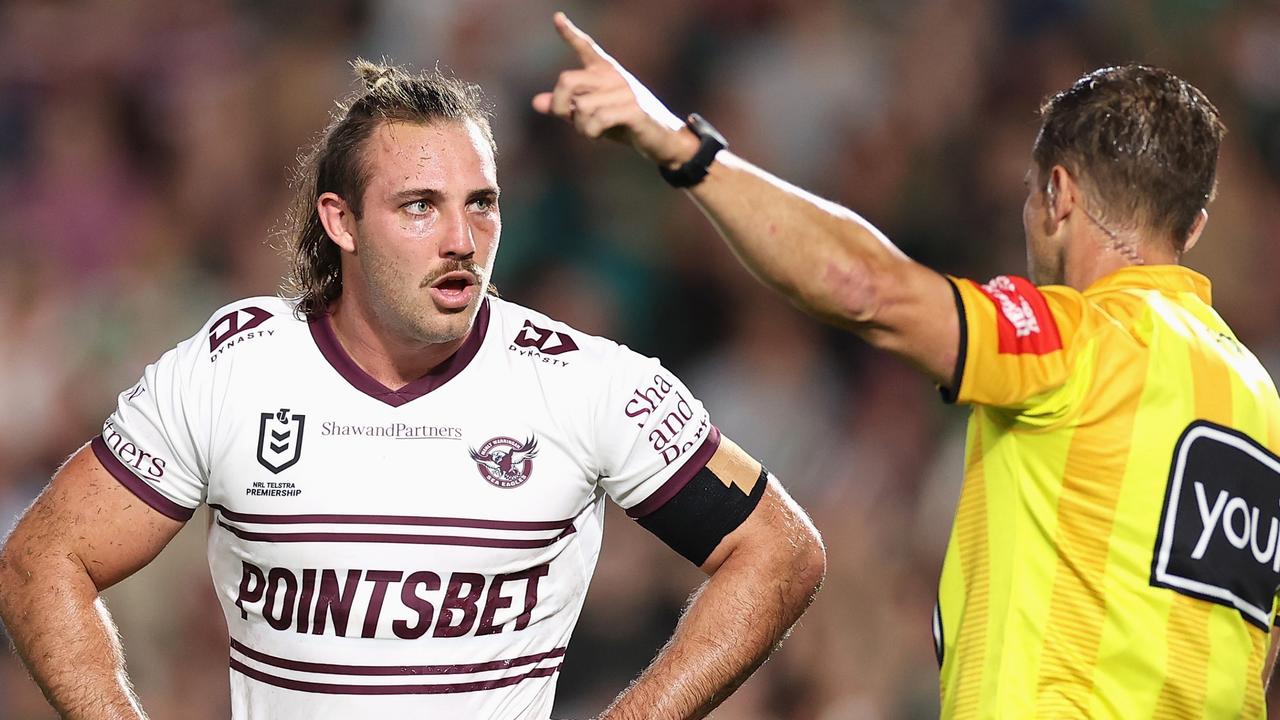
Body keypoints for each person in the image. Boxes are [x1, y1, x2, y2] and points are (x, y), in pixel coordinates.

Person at [0, 59, 826, 720]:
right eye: (420, 206)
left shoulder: (581, 382)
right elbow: (43, 560)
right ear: (341, 221)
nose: (463, 240)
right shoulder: (233, 369)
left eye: (483, 205)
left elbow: (780, 552)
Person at [535, 11, 1280, 719]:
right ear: (1194, 224)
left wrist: (681, 147)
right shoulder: (1259, 403)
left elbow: (866, 290)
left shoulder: (1078, 338)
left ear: (1057, 196)